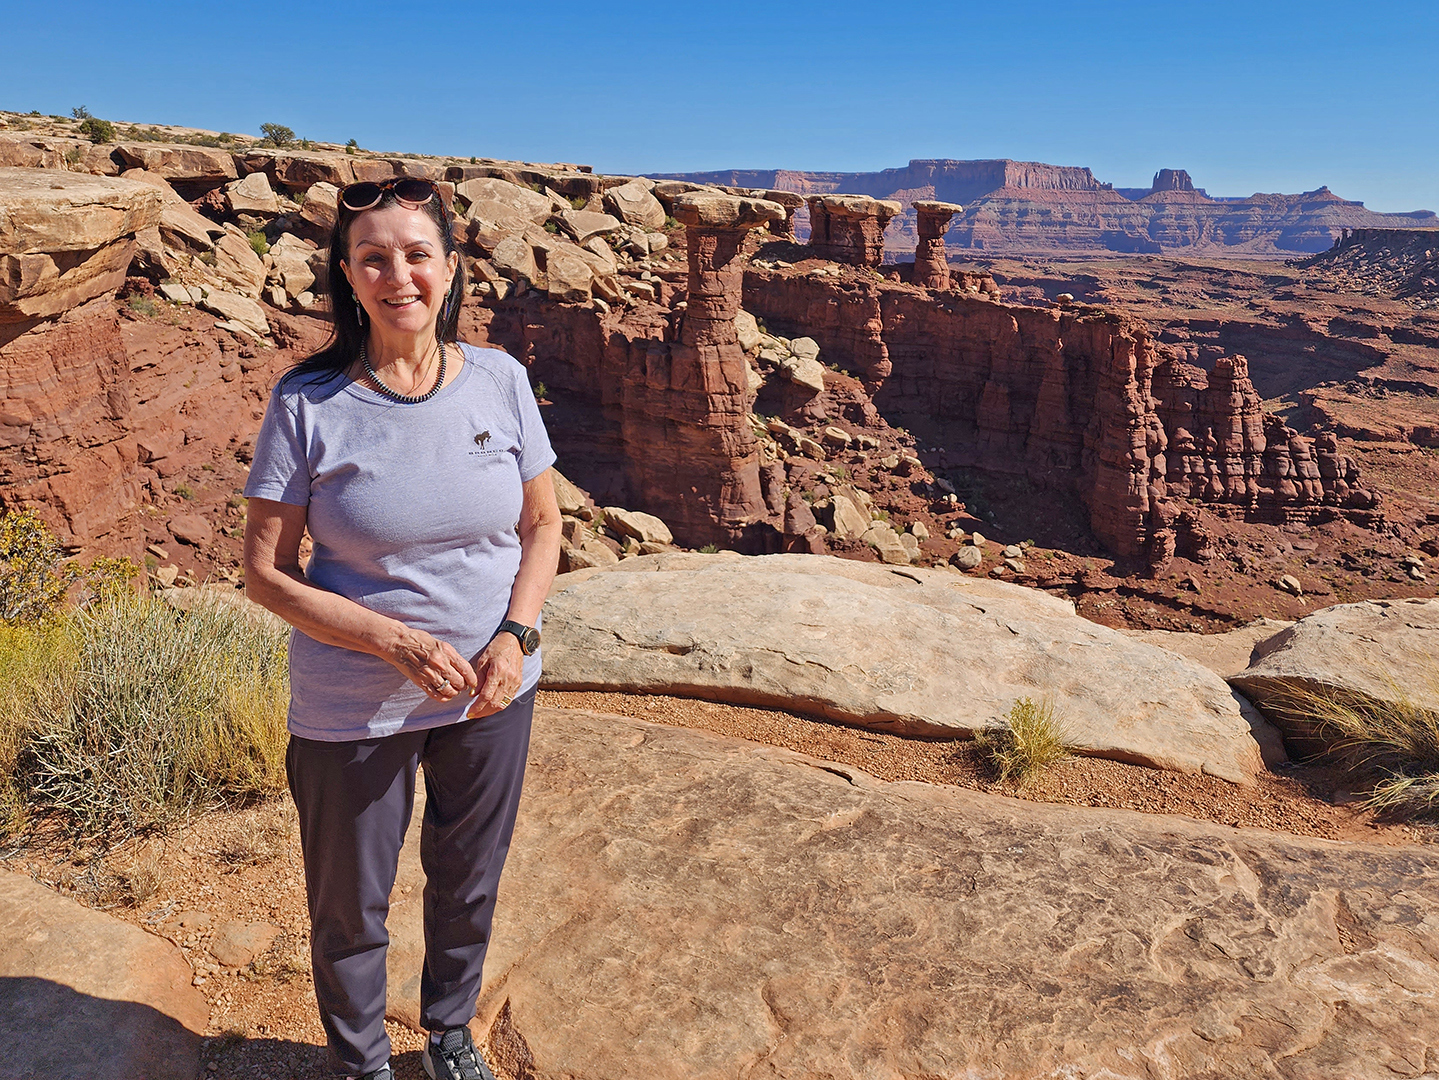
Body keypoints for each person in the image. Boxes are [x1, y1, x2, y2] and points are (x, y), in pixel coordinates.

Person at [242, 175, 561, 1080]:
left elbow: (542, 527)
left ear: (450, 267)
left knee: (468, 878)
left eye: (417, 254)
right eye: (373, 259)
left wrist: (516, 635)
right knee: (351, 904)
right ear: (347, 276)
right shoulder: (307, 401)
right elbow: (265, 574)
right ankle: (362, 1065)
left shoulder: (499, 380)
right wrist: (390, 641)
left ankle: (450, 1033)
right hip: (353, 706)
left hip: (492, 691)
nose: (398, 276)